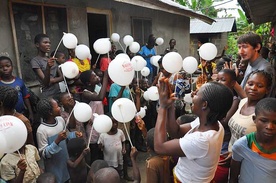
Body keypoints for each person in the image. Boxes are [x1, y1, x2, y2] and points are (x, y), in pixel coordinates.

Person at [155, 79, 233, 182]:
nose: (192, 95)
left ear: (204, 105)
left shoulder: (201, 140)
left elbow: (160, 147)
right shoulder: (214, 124)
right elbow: (176, 132)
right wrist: (170, 106)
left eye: (197, 94)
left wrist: (162, 107)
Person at [221, 70, 273, 172]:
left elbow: (265, 145)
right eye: (250, 84)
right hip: (230, 157)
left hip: (248, 164)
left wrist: (237, 154)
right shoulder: (242, 102)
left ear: (267, 90)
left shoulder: (264, 114)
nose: (253, 88)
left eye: (259, 86)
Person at [229, 98, 276, 183]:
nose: (270, 127)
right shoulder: (242, 146)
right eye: (264, 121)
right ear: (254, 119)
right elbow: (233, 178)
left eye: (275, 122)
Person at [36, 98, 82, 183]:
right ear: (50, 112)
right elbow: (44, 154)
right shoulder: (42, 130)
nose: (60, 108)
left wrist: (74, 134)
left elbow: (66, 136)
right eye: (57, 107)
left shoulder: (60, 120)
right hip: (54, 167)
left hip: (65, 162)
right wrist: (57, 140)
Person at [213, 69, 240, 183]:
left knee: (220, 171)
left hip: (224, 143)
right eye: (217, 80)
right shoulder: (216, 97)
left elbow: (224, 121)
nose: (219, 82)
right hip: (213, 139)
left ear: (233, 83)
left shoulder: (235, 101)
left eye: (223, 80)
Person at [79, 70, 108, 164]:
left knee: (102, 149)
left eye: (96, 75)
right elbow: (100, 97)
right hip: (92, 127)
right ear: (88, 82)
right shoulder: (85, 93)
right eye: (94, 77)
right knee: (95, 151)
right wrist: (105, 78)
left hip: (101, 124)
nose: (97, 77)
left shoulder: (96, 89)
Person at [238, 32, 275, 97]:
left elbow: (266, 99)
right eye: (239, 47)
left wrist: (233, 83)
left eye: (245, 47)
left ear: (257, 47)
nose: (241, 52)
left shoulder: (266, 68)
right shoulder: (250, 64)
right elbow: (244, 90)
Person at [0, 56, 34, 121]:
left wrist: (30, 112)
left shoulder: (19, 81)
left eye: (7, 66)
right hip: (5, 118)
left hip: (21, 114)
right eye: (1, 67)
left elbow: (26, 98)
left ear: (12, 67)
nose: (5, 69)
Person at [31, 34, 63, 98]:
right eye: (45, 42)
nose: (48, 45)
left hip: (58, 93)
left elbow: (62, 77)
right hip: (48, 95)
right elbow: (46, 83)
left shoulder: (51, 59)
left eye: (49, 43)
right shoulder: (35, 61)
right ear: (37, 45)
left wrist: (52, 80)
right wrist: (48, 67)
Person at [97, 113, 126, 180]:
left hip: (118, 157)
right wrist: (100, 146)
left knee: (119, 172)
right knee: (110, 174)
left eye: (116, 122)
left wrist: (124, 148)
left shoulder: (120, 132)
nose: (115, 124)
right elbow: (100, 146)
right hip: (109, 159)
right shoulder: (103, 134)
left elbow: (123, 141)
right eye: (113, 123)